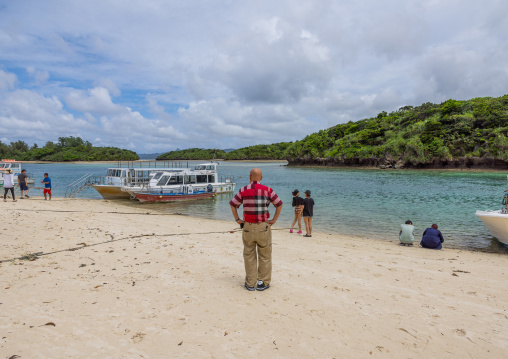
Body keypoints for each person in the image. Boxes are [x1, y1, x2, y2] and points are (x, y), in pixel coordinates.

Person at [230, 168, 283, 291]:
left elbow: (233, 204)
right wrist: (274, 219)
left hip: (248, 226)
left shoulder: (243, 190)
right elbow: (279, 204)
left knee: (249, 254)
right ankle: (263, 282)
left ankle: (250, 283)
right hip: (263, 227)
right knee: (265, 255)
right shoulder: (268, 190)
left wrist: (237, 219)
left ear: (250, 177)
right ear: (261, 178)